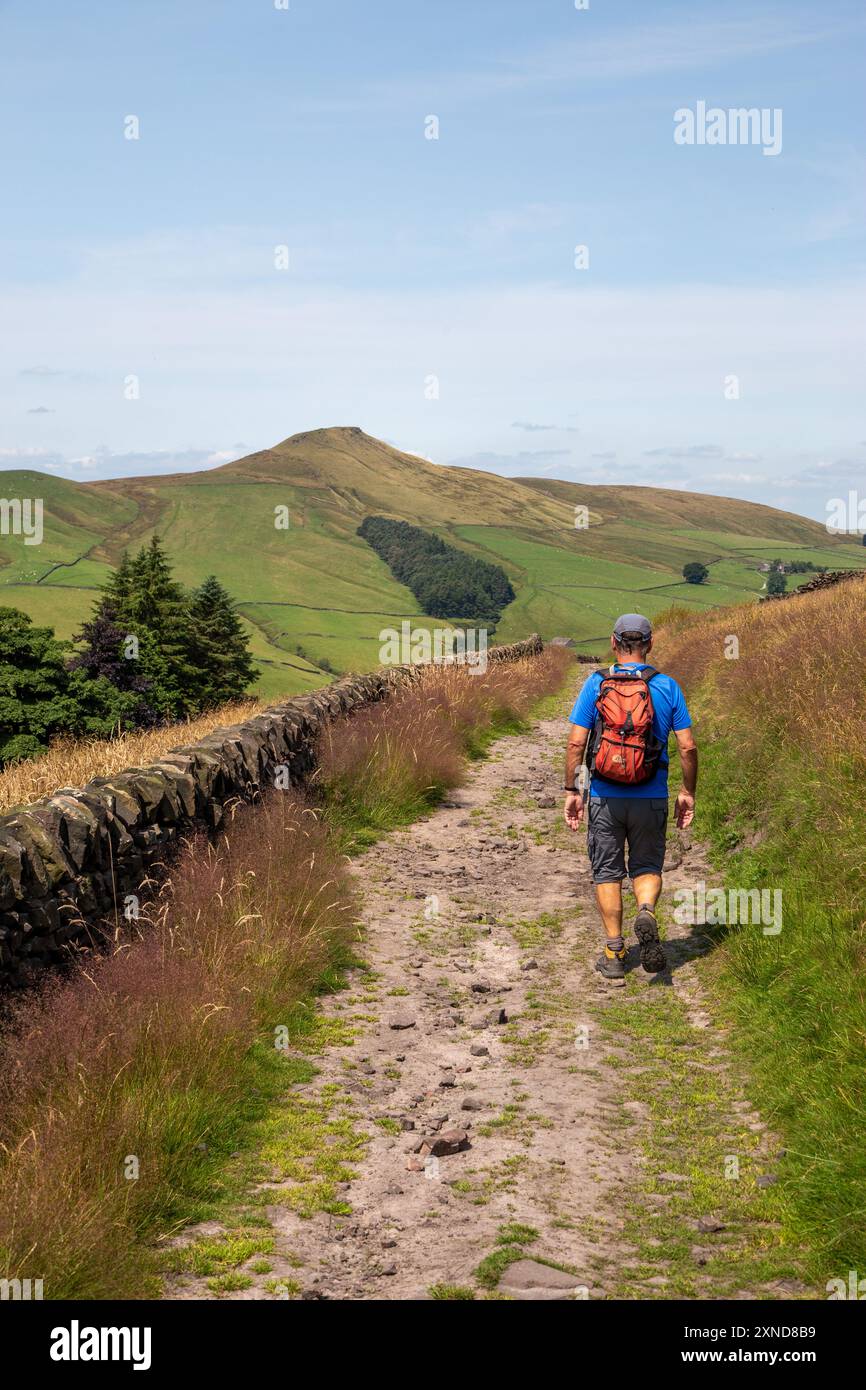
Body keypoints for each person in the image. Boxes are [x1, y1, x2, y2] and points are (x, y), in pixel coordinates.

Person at [563, 614, 697, 980]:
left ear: (613, 642)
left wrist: (572, 789)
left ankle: (614, 952)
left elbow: (576, 742)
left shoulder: (596, 684)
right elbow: (687, 747)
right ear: (649, 645)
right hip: (650, 794)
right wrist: (687, 791)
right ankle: (647, 910)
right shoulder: (667, 686)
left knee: (607, 871)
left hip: (605, 795)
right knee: (647, 866)